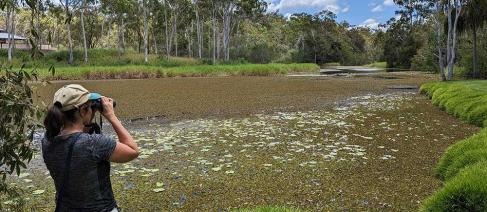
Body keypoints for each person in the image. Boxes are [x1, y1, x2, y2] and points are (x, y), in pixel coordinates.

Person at [42, 84, 139, 212]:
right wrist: (111, 116)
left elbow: (73, 140)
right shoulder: (94, 143)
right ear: (83, 110)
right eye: (90, 107)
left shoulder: (47, 140)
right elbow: (133, 151)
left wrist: (85, 121)